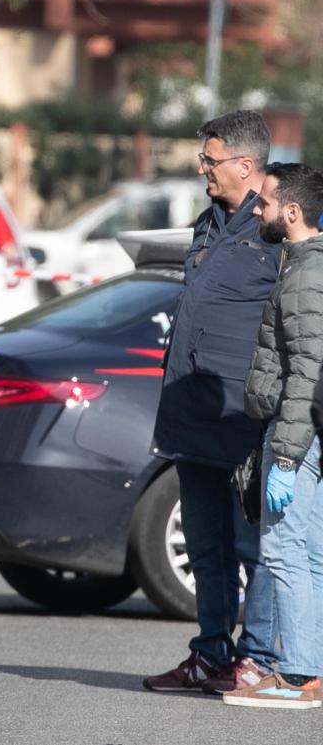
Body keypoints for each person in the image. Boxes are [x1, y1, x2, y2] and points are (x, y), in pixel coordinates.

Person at [145, 110, 282, 693]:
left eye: (210, 159)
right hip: (192, 414)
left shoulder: (281, 228)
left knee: (257, 548)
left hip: (245, 418)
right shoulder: (207, 224)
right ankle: (210, 652)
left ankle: (258, 659)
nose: (202, 168)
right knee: (206, 546)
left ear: (245, 166)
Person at [225, 162, 323, 709]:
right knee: (309, 555)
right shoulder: (305, 267)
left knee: (285, 553)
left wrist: (284, 458)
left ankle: (298, 676)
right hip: (307, 433)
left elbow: (309, 370)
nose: (256, 210)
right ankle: (308, 672)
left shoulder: (308, 275)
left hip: (297, 436)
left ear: (292, 211)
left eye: (263, 201)